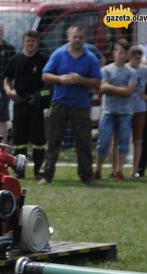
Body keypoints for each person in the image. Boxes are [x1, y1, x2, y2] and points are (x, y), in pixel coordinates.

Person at [39, 26, 102, 185]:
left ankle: (86, 176)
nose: (77, 40)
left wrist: (81, 80)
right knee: (53, 140)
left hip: (81, 106)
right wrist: (60, 79)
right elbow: (45, 75)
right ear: (69, 38)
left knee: (84, 142)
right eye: (75, 37)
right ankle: (47, 175)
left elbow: (98, 82)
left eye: (81, 37)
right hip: (59, 103)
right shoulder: (59, 54)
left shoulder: (90, 58)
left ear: (85, 39)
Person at [3, 30, 49, 179]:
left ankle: (38, 171)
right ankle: (19, 170)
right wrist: (9, 91)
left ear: (37, 43)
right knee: (19, 140)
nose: (30, 43)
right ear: (23, 42)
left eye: (33, 41)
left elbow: (49, 86)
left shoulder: (43, 60)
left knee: (38, 140)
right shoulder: (15, 60)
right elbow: (6, 80)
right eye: (28, 41)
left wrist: (42, 97)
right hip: (20, 103)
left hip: (37, 105)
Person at [93, 39, 136, 181]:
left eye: (125, 53)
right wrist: (121, 89)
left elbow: (129, 91)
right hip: (108, 112)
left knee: (123, 143)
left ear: (128, 55)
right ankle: (97, 170)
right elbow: (103, 88)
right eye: (120, 51)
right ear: (114, 53)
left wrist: (112, 88)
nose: (122, 55)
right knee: (103, 142)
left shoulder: (132, 72)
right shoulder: (105, 70)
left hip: (125, 113)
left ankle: (119, 171)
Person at [127, 45, 147, 179]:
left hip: (141, 108)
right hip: (125, 107)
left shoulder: (144, 70)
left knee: (140, 139)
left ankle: (138, 169)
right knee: (120, 138)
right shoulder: (125, 69)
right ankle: (117, 170)